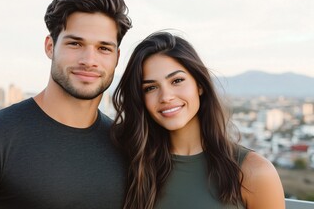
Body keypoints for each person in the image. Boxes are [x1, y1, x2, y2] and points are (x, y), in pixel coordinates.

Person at [0, 0, 132, 209]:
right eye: (75, 43)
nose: (89, 60)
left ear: (116, 57)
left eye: (103, 48)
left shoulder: (126, 146)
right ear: (50, 46)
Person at [112, 31, 285, 209]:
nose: (166, 96)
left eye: (177, 80)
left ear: (200, 85)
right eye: (150, 87)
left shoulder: (254, 172)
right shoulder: (131, 162)